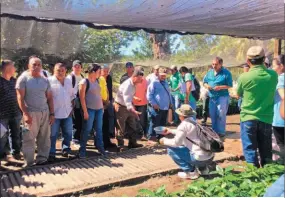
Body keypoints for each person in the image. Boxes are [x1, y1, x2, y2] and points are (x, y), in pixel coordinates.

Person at [237, 46, 278, 167]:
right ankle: (268, 176)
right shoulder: (273, 75)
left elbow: (238, 93)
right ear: (264, 59)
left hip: (248, 118)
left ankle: (253, 177)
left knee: (250, 150)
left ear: (248, 61)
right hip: (266, 118)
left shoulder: (244, 77)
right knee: (266, 151)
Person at [16, 56, 55, 166]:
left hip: (45, 112)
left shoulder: (45, 80)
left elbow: (50, 98)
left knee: (44, 138)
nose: (37, 67)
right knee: (29, 139)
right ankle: (28, 162)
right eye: (34, 64)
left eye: (39, 65)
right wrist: (25, 114)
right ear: (29, 66)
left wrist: (52, 113)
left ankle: (42, 160)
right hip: (31, 113)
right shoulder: (23, 79)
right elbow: (20, 98)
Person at [159, 104, 214, 179]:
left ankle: (191, 172)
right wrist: (170, 131)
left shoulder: (183, 125)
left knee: (171, 150)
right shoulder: (194, 122)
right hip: (210, 157)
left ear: (181, 116)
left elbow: (176, 143)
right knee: (196, 148)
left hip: (199, 159)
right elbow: (185, 132)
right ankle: (203, 169)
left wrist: (164, 141)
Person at [48, 63, 75, 161]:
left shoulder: (68, 81)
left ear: (65, 71)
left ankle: (66, 149)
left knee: (68, 133)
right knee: (53, 134)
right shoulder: (49, 81)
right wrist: (50, 113)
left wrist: (72, 108)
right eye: (58, 70)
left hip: (67, 112)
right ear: (54, 71)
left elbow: (72, 95)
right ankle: (51, 152)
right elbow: (47, 98)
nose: (60, 72)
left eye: (62, 70)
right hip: (54, 114)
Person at [78, 64, 106, 158]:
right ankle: (82, 150)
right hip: (89, 109)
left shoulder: (97, 80)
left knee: (99, 130)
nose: (100, 73)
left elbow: (99, 95)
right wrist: (85, 112)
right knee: (87, 129)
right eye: (99, 71)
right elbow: (82, 98)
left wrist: (102, 108)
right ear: (93, 72)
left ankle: (101, 149)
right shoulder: (84, 82)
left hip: (99, 109)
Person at [114, 67, 144, 151]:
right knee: (121, 126)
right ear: (135, 77)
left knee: (132, 124)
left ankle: (132, 143)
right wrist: (134, 111)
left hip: (128, 106)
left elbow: (128, 97)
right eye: (139, 79)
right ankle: (120, 146)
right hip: (121, 107)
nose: (140, 81)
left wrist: (134, 99)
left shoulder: (133, 84)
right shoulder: (127, 85)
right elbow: (127, 101)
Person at [203, 57, 233, 137]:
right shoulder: (209, 72)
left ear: (221, 64)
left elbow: (229, 85)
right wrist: (207, 86)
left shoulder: (226, 73)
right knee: (212, 114)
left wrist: (220, 87)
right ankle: (214, 131)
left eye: (216, 64)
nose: (214, 66)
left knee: (221, 113)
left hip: (222, 96)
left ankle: (221, 132)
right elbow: (204, 82)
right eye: (213, 64)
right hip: (212, 96)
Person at [0, 60, 22, 160]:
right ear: (8, 68)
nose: (15, 69)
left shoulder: (15, 81)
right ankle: (3, 155)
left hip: (16, 113)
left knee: (16, 134)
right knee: (2, 137)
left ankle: (16, 153)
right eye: (13, 67)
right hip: (2, 115)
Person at [147, 68, 173, 142]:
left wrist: (170, 103)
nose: (163, 77)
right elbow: (149, 95)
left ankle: (160, 137)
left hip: (165, 107)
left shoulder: (166, 83)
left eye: (164, 75)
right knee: (155, 122)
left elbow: (169, 94)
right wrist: (154, 104)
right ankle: (151, 137)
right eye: (162, 75)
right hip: (157, 107)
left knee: (162, 122)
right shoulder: (154, 83)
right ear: (158, 74)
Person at [66, 60, 84, 145]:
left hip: (81, 100)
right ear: (72, 67)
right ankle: (74, 138)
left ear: (81, 68)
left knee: (80, 119)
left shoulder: (82, 77)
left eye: (79, 66)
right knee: (75, 119)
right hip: (73, 101)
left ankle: (79, 137)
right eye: (75, 66)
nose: (77, 68)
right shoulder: (70, 77)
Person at [99, 64, 116, 149]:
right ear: (100, 71)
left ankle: (107, 141)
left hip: (108, 102)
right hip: (99, 104)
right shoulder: (98, 79)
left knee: (107, 122)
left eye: (107, 71)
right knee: (100, 124)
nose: (106, 73)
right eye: (104, 71)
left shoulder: (109, 78)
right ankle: (100, 143)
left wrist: (110, 100)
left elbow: (109, 90)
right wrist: (104, 102)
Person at [271, 55, 285, 156]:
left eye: (274, 66)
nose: (272, 68)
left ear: (281, 66)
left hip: (281, 119)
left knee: (282, 145)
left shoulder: (281, 78)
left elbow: (283, 96)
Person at [133, 67, 148, 139]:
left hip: (143, 103)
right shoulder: (134, 80)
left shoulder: (145, 81)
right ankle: (136, 134)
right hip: (133, 103)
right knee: (134, 119)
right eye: (139, 73)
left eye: (142, 73)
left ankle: (142, 135)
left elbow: (146, 90)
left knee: (142, 120)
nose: (141, 74)